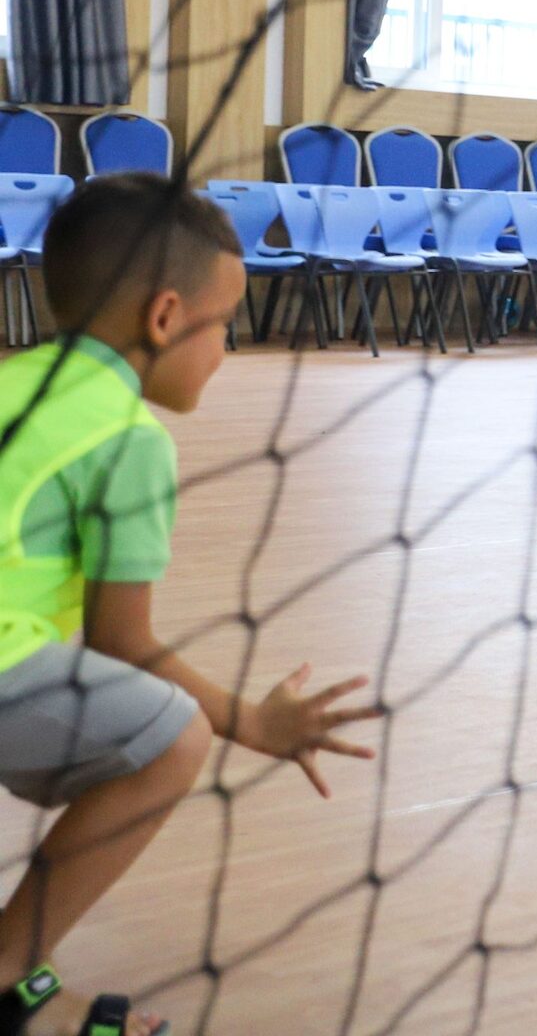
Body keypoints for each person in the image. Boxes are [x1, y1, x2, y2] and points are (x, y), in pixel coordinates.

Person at [0, 177, 379, 1036]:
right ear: (166, 318)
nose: (225, 351)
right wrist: (254, 723)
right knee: (170, 736)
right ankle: (8, 974)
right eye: (224, 326)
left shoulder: (17, 380)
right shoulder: (127, 439)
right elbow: (121, 643)